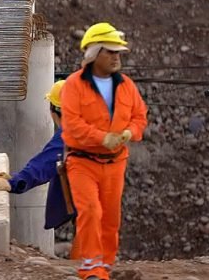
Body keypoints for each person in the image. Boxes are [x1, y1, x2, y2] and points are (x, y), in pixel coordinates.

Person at [61, 22, 148, 280]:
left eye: (117, 52)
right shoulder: (74, 85)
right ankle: (91, 268)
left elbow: (140, 116)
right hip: (82, 161)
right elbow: (73, 125)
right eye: (110, 52)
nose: (116, 57)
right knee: (90, 211)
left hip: (116, 162)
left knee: (110, 217)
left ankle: (105, 266)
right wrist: (102, 138)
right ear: (94, 53)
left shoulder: (126, 85)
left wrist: (130, 132)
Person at [0, 80, 78, 250]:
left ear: (55, 111)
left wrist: (13, 183)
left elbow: (45, 163)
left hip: (89, 210)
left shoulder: (70, 135)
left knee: (90, 256)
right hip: (102, 202)